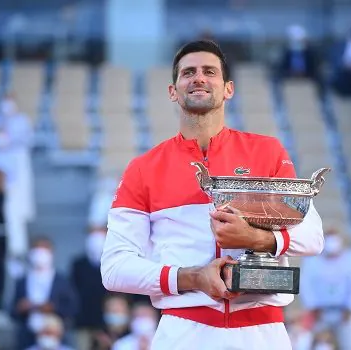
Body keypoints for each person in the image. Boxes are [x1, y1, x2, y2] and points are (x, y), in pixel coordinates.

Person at [100, 40, 325, 349]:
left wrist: (257, 239)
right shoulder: (143, 168)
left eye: (210, 71)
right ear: (172, 91)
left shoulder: (267, 151)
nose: (199, 78)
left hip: (263, 332)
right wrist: (193, 277)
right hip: (183, 331)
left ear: (228, 88)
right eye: (188, 72)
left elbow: (313, 236)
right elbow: (114, 269)